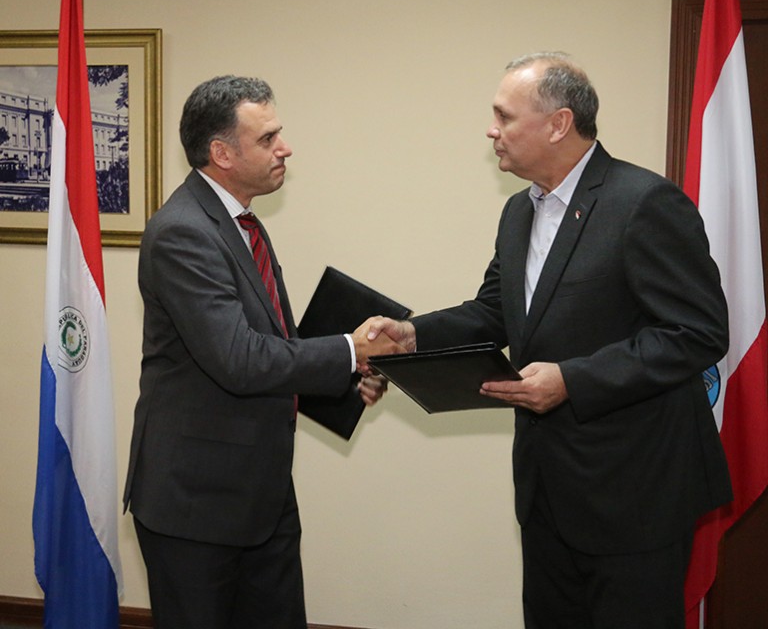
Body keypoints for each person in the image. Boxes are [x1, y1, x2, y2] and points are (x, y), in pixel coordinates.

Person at [365, 52, 732, 629]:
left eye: (504, 116)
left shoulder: (643, 202)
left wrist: (573, 380)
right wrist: (413, 333)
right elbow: (495, 311)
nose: (492, 131)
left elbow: (698, 332)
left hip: (634, 490)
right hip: (547, 488)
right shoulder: (519, 211)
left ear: (559, 124)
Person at [123, 75, 402, 629]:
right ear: (222, 153)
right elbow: (240, 360)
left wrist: (353, 374)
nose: (285, 148)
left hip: (261, 494)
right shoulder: (182, 232)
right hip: (196, 506)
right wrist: (349, 351)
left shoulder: (242, 222)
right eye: (268, 138)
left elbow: (276, 346)